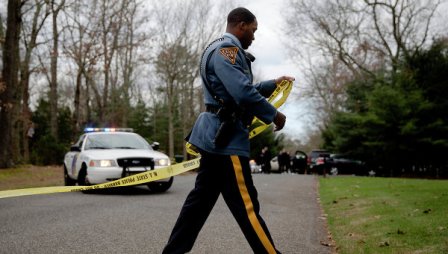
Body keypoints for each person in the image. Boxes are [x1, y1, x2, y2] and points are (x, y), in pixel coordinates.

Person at [162, 7, 294, 254]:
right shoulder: (227, 50)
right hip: (227, 142)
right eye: (253, 30)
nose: (253, 37)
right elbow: (242, 92)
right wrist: (274, 114)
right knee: (247, 208)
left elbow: (235, 89)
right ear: (241, 25)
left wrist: (271, 84)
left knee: (197, 206)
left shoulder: (220, 48)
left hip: (216, 141)